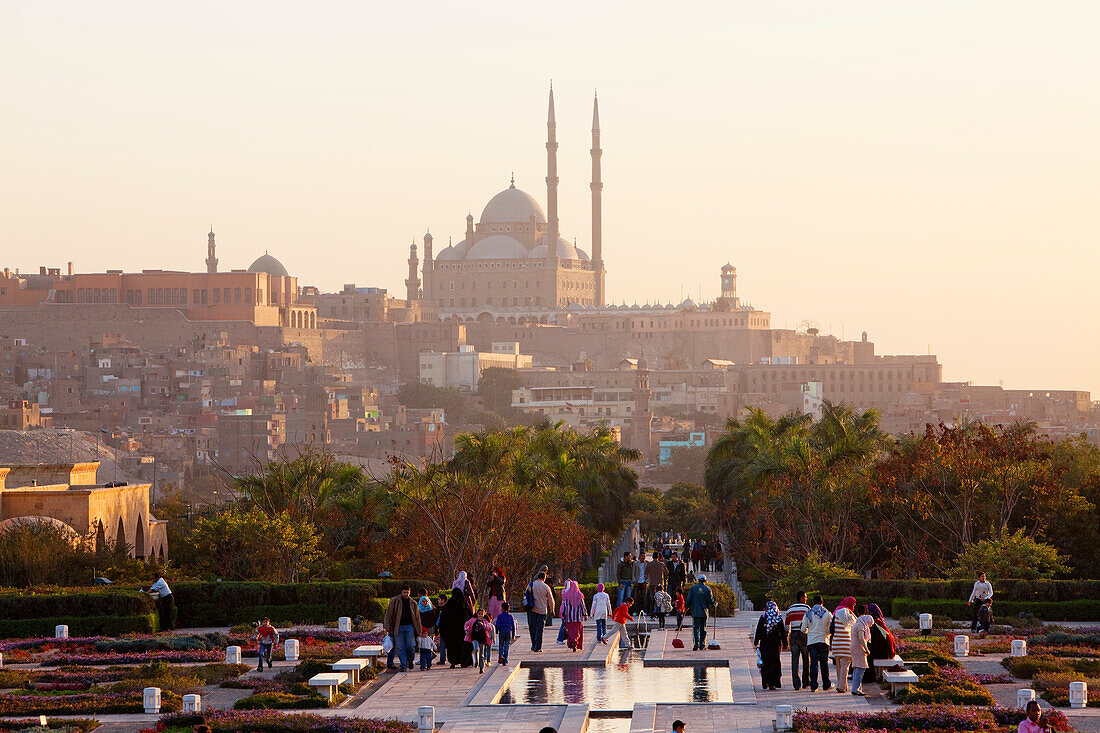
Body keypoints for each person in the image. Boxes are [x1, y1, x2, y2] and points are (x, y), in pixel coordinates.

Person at [383, 584, 423, 672]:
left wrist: (419, 630)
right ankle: (403, 665)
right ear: (401, 592)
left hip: (410, 627)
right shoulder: (394, 601)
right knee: (400, 647)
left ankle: (410, 660)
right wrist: (386, 625)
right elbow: (388, 614)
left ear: (410, 592)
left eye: (407, 592)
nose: (406, 594)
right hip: (398, 627)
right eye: (404, 592)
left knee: (410, 646)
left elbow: (417, 617)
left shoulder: (413, 603)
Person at [754, 600, 787, 690]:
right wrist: (785, 643)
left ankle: (766, 682)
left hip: (764, 644)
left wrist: (756, 642)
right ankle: (774, 682)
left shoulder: (763, 618)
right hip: (775, 645)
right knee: (775, 662)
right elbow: (782, 632)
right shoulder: (778, 618)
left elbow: (759, 631)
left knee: (766, 663)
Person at [438, 588, 473, 668]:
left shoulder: (448, 605)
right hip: (462, 631)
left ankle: (453, 662)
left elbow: (443, 620)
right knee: (463, 646)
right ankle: (464, 662)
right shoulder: (464, 605)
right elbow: (470, 617)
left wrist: (444, 631)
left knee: (452, 647)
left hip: (451, 632)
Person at [804, 594, 832, 691]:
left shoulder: (808, 613)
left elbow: (803, 629)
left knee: (813, 663)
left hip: (812, 641)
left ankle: (814, 685)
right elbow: (832, 626)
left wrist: (810, 631)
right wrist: (827, 632)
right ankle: (826, 684)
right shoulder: (827, 613)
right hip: (824, 640)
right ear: (822, 602)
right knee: (824, 663)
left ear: (813, 602)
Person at [784, 591, 811, 690]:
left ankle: (796, 684)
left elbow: (786, 626)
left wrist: (787, 637)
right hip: (804, 635)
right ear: (801, 598)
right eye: (805, 597)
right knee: (806, 659)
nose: (806, 599)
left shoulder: (790, 609)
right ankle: (805, 682)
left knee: (794, 660)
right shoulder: (807, 608)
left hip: (794, 635)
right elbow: (810, 622)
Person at [831, 596, 857, 693]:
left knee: (839, 667)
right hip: (846, 644)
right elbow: (855, 625)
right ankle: (841, 687)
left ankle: (842, 685)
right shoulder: (850, 614)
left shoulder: (836, 612)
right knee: (845, 667)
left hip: (836, 644)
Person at [685, 575, 715, 651]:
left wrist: (686, 606)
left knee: (696, 628)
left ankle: (696, 644)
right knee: (703, 629)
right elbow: (711, 601)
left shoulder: (693, 588)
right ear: (705, 581)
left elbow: (689, 599)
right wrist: (715, 605)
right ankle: (702, 645)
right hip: (704, 612)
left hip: (695, 611)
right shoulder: (707, 589)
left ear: (698, 580)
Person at [529, 571, 555, 652]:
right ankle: (538, 647)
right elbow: (551, 600)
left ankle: (533, 645)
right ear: (544, 578)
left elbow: (526, 595)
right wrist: (552, 609)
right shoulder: (546, 587)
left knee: (532, 628)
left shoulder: (531, 585)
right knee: (539, 629)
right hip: (542, 610)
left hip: (532, 609)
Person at [560, 580, 588, 651]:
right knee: (577, 631)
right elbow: (582, 606)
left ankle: (572, 643)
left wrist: (562, 614)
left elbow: (564, 606)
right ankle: (575, 643)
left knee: (570, 631)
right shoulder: (579, 595)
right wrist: (585, 615)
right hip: (578, 618)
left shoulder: (567, 595)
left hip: (568, 618)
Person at [849, 612, 873, 696]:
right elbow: (861, 638)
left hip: (854, 647)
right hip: (859, 648)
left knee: (857, 669)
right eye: (870, 624)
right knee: (860, 669)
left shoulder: (856, 624)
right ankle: (856, 689)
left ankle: (856, 688)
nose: (870, 626)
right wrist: (866, 649)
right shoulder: (861, 626)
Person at [465, 610, 494, 674]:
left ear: (484, 615)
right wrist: (466, 630)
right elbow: (466, 624)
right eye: (479, 614)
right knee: (476, 648)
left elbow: (490, 628)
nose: (480, 615)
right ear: (477, 614)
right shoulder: (473, 620)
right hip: (474, 637)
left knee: (481, 653)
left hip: (482, 639)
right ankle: (476, 661)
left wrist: (484, 626)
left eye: (482, 614)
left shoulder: (485, 621)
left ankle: (482, 667)